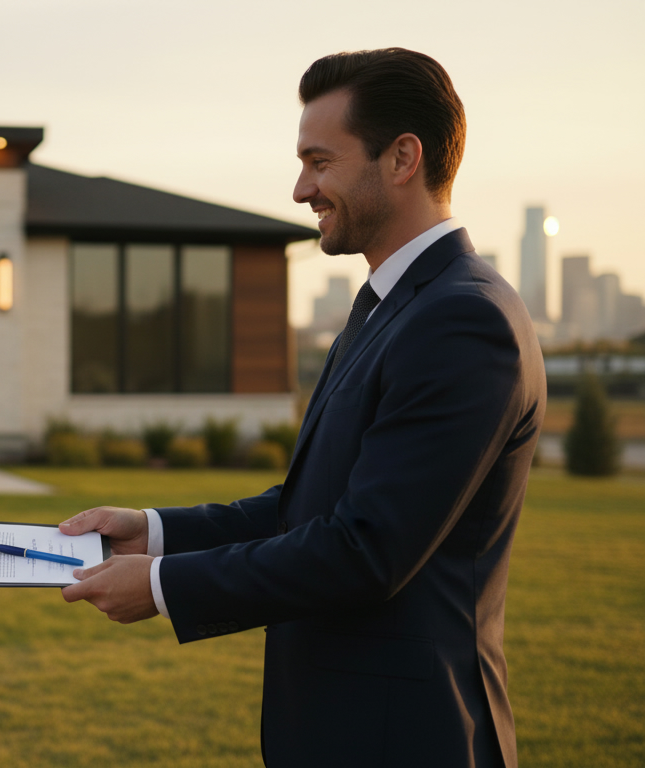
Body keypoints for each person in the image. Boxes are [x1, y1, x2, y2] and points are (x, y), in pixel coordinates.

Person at [59, 49, 544, 768]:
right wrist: (154, 534)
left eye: (320, 162)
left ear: (403, 157)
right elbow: (312, 508)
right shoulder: (387, 307)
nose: (299, 190)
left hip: (408, 736)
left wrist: (162, 587)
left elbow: (365, 550)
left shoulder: (461, 320)